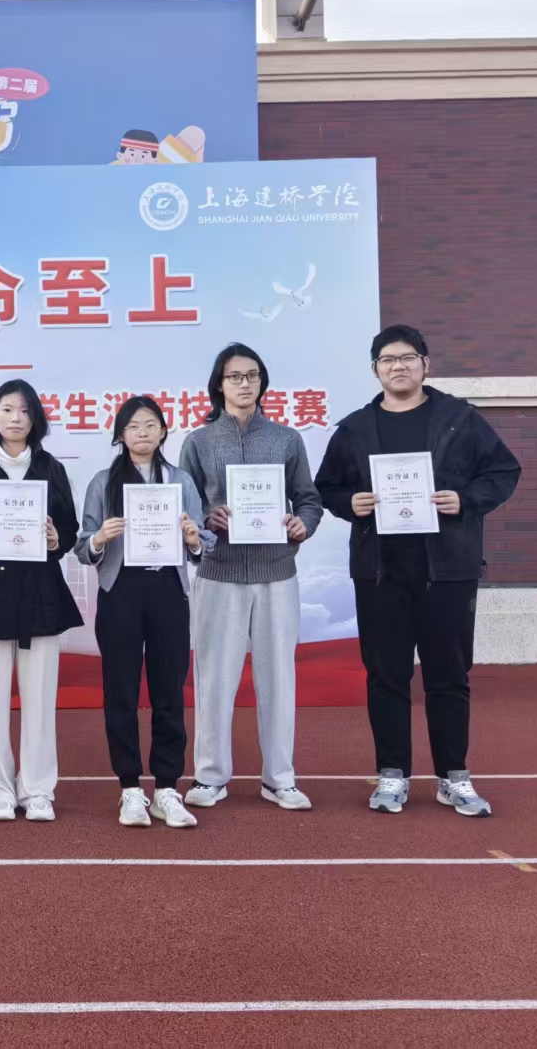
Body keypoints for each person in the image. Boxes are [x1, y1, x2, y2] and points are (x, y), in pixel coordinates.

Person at [315, 325, 521, 817]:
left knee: (448, 675)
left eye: (408, 358)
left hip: (446, 569)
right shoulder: (356, 428)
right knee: (386, 675)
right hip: (380, 572)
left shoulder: (459, 419)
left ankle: (454, 777)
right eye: (388, 360)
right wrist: (350, 503)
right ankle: (392, 774)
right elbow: (326, 487)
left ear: (425, 364)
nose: (398, 367)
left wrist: (464, 500)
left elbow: (503, 471)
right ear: (375, 370)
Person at [178, 343, 323, 812]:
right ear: (219, 385)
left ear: (263, 382)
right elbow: (185, 506)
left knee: (278, 677)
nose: (244, 384)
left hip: (276, 572)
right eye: (235, 376)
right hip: (219, 572)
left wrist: (303, 524)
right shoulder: (199, 442)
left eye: (252, 375)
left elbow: (309, 499)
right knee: (214, 677)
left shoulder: (286, 439)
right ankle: (210, 776)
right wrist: (207, 518)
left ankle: (279, 778)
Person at [76, 395, 209, 829]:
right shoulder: (103, 482)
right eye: (133, 426)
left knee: (169, 689)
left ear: (164, 431)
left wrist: (193, 538)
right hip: (121, 591)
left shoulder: (180, 480)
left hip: (168, 590)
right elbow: (82, 545)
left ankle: (167, 789)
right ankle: (130, 788)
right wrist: (100, 538)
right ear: (120, 435)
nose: (143, 433)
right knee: (121, 691)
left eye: (151, 424)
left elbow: (203, 540)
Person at [0, 379, 82, 822]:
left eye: (25, 411)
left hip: (40, 595)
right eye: (7, 409)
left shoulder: (51, 468)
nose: (15, 418)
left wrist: (55, 538)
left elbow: (69, 531)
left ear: (35, 420)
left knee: (40, 698)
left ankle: (38, 789)